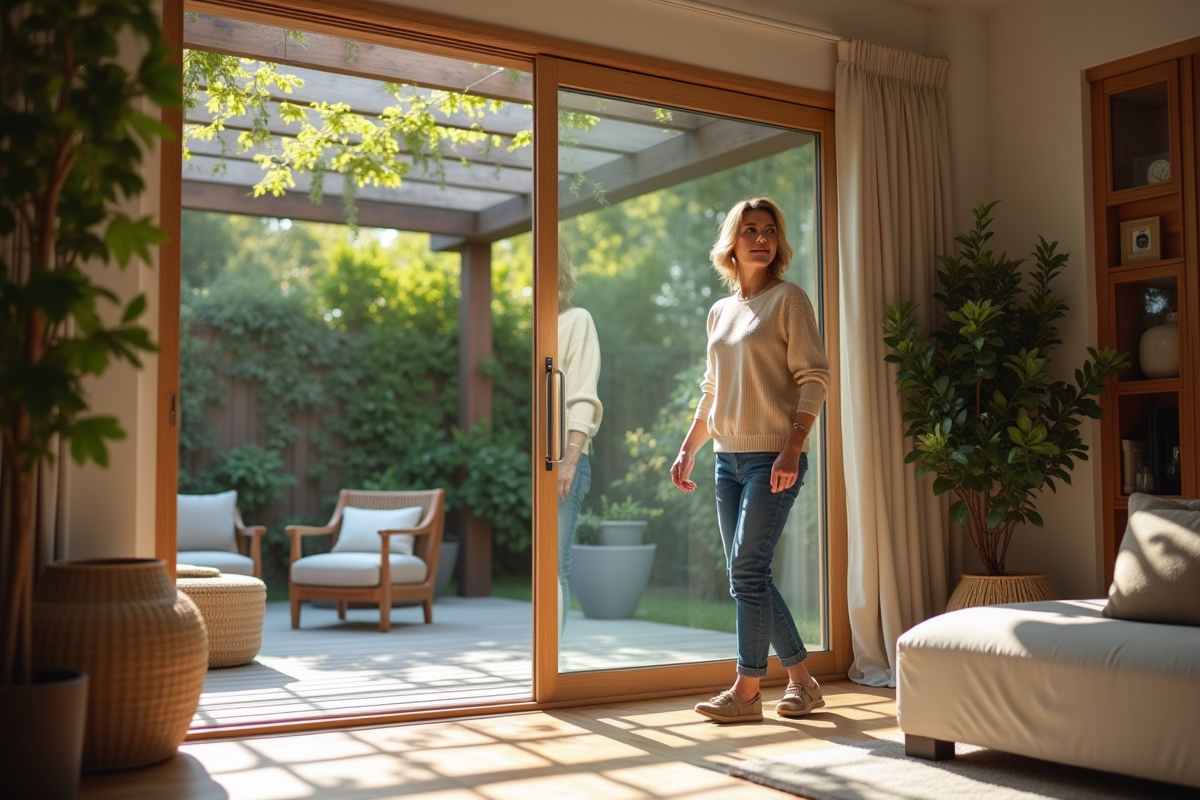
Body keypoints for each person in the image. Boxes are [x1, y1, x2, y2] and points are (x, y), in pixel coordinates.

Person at [671, 197, 830, 723]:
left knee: (747, 569)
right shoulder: (719, 311)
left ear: (777, 242)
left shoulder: (790, 300)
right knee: (748, 575)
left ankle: (745, 692)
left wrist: (794, 445)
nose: (760, 238)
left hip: (773, 457)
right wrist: (689, 446)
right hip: (726, 461)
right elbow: (713, 387)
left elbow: (815, 377)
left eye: (769, 230)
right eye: (749, 230)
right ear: (732, 244)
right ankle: (803, 684)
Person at [557, 245, 603, 633]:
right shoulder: (537, 327)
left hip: (563, 459)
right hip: (538, 459)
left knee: (555, 566)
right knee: (541, 567)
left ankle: (550, 674)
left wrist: (568, 460)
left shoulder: (577, 320)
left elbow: (583, 395)